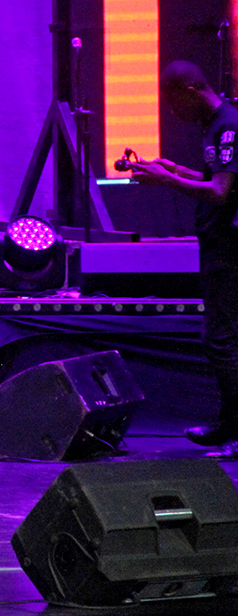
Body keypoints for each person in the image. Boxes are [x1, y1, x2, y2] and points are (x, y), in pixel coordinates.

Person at [127, 61, 238, 447]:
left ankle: (234, 426)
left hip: (229, 248)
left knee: (222, 339)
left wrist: (168, 180)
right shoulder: (215, 125)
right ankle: (230, 423)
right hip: (219, 245)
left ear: (190, 90)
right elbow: (216, 180)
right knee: (221, 337)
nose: (174, 113)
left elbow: (221, 193)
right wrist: (172, 170)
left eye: (173, 103)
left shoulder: (227, 126)